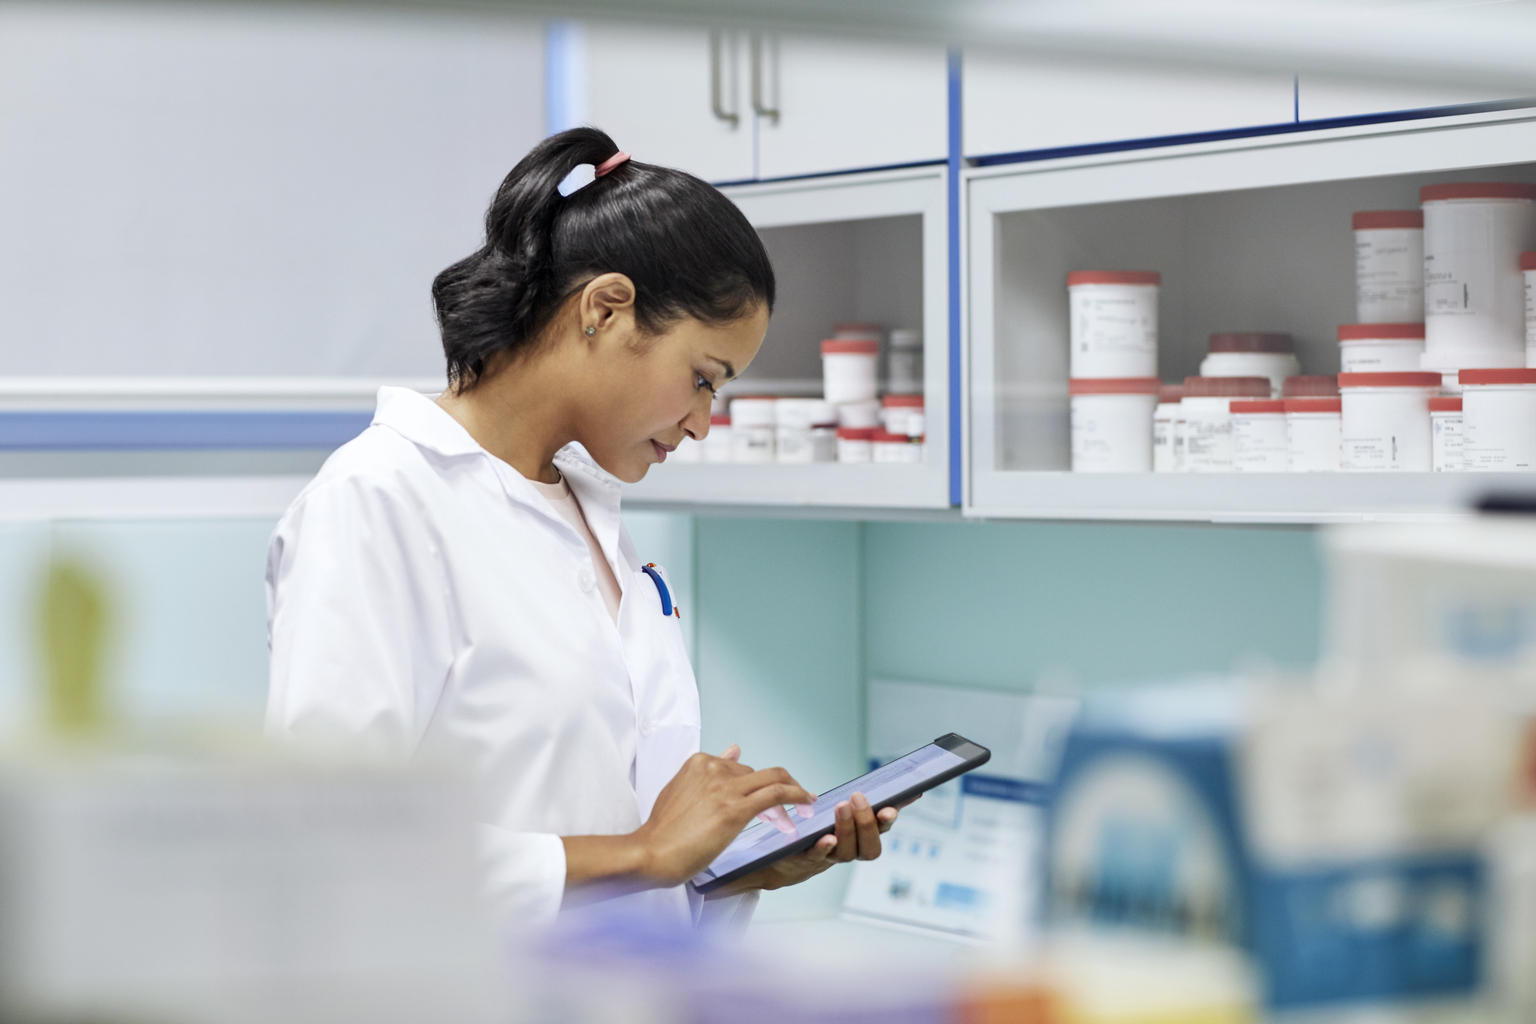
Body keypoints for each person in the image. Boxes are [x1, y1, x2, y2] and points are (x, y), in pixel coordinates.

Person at [265, 127, 904, 929]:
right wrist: (646, 853)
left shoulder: (586, 509)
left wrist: (720, 870)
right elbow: (327, 845)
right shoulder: (380, 502)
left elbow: (610, 827)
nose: (705, 422)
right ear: (606, 308)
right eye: (703, 378)